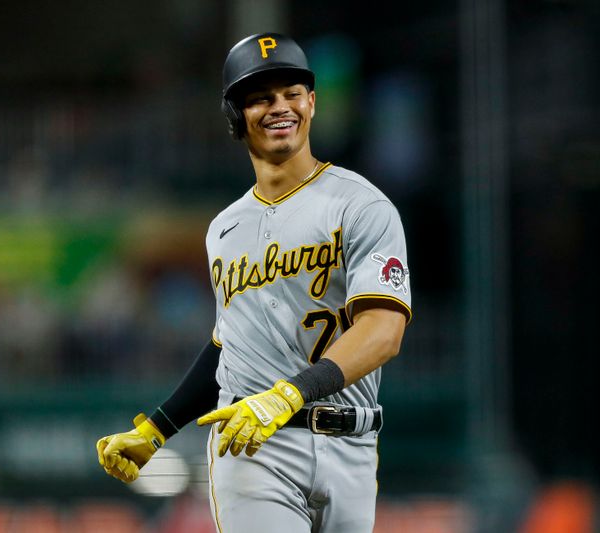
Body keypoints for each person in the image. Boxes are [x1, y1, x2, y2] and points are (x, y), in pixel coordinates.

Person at [96, 32, 412, 533]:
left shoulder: (362, 205)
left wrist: (289, 393)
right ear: (234, 115)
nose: (279, 107)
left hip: (352, 443)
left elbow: (383, 331)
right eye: (261, 97)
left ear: (312, 102)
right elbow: (230, 346)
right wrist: (157, 428)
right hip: (253, 448)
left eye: (291, 93)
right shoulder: (224, 229)